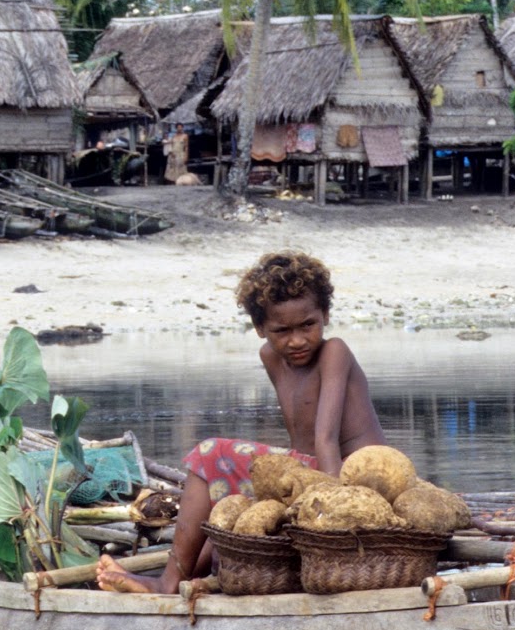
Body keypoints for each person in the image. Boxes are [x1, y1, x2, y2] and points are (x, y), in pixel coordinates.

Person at [96, 251, 388, 593]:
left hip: (350, 475)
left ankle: (168, 582)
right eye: (282, 330)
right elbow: (299, 439)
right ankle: (175, 580)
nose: (297, 340)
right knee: (227, 515)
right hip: (309, 471)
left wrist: (329, 508)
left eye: (308, 325)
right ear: (260, 328)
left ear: (325, 314)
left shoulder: (334, 350)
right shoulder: (271, 357)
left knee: (209, 453)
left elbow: (325, 439)